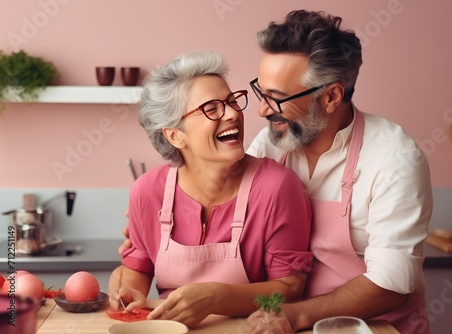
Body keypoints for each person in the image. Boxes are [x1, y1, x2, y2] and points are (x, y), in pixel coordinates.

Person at [245, 10, 433, 334]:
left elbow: (389, 284)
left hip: (374, 328)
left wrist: (296, 316)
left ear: (332, 96)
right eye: (261, 93)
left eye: (276, 99)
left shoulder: (395, 158)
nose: (262, 110)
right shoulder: (271, 144)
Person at [107, 50, 313, 328]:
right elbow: (138, 266)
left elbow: (289, 289)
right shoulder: (147, 190)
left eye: (231, 102)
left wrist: (217, 297)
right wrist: (131, 290)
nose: (232, 113)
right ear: (175, 135)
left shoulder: (276, 187)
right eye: (212, 108)